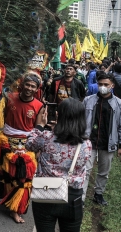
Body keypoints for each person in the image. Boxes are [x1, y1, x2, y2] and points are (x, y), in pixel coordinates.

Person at [26, 98, 92, 232]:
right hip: (73, 197)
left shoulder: (46, 137)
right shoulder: (86, 144)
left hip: (45, 193)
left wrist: (39, 126)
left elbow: (30, 144)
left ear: (58, 115)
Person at [0, 72, 45, 224]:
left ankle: (15, 210)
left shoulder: (39, 106)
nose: (29, 88)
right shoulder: (9, 97)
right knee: (5, 174)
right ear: (22, 84)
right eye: (27, 85)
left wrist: (37, 149)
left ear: (37, 89)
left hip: (27, 145)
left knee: (24, 179)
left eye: (33, 86)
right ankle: (9, 199)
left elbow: (38, 129)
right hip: (6, 142)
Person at [81, 71, 121, 205]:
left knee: (103, 172)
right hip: (88, 141)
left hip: (108, 143)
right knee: (85, 170)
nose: (102, 86)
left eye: (106, 84)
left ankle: (98, 194)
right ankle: (81, 198)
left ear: (112, 85)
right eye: (100, 84)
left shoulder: (120, 105)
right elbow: (80, 120)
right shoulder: (88, 100)